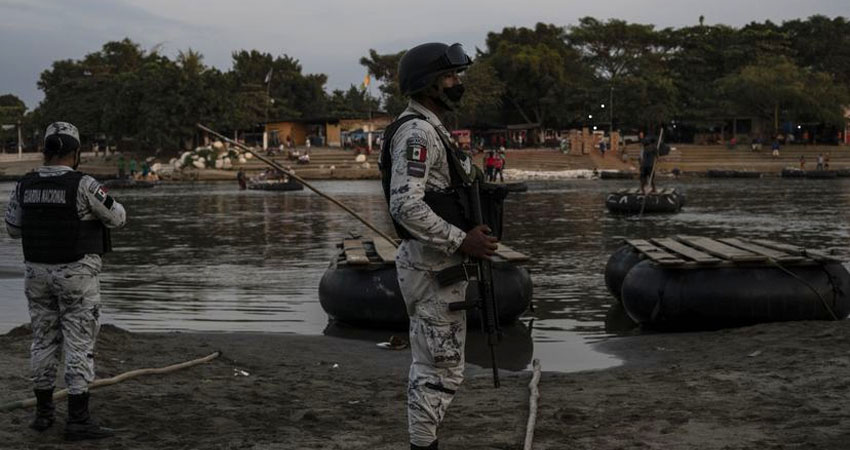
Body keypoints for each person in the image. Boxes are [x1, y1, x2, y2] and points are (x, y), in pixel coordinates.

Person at [379, 42, 496, 450]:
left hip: (439, 266)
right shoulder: (417, 133)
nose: (457, 83)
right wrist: (461, 238)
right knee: (437, 371)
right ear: (429, 85)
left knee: (441, 368)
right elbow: (405, 203)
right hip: (432, 267)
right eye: (449, 77)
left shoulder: (431, 128)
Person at [4, 122, 125, 441]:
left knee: (43, 340)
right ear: (75, 153)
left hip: (37, 274)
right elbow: (118, 218)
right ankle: (78, 419)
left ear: (45, 151)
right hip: (76, 275)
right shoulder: (85, 184)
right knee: (79, 343)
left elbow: (13, 229)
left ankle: (43, 415)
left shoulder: (23, 185)